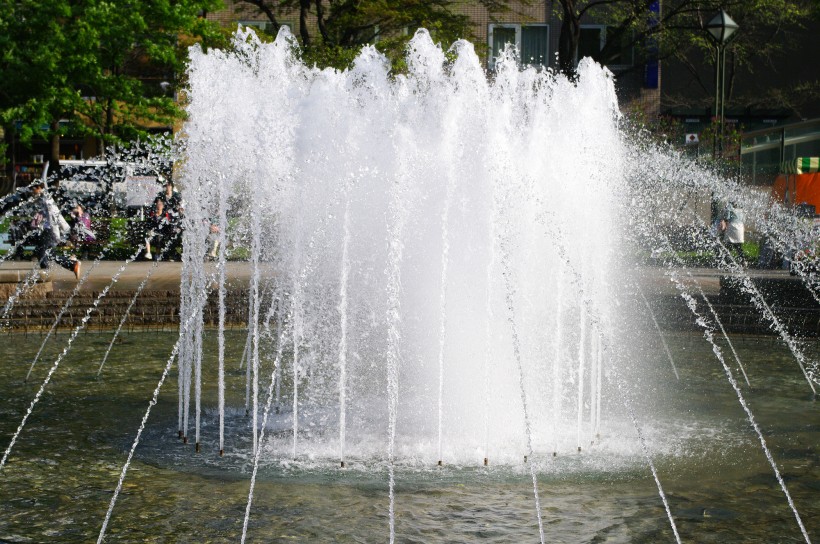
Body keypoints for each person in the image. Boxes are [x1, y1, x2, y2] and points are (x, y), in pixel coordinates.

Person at [30, 181, 81, 279]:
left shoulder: (46, 199)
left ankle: (45, 275)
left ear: (39, 188)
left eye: (34, 189)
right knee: (49, 254)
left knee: (42, 254)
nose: (33, 191)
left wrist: (58, 233)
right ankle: (72, 264)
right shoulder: (44, 199)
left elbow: (53, 217)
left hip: (50, 231)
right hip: (48, 231)